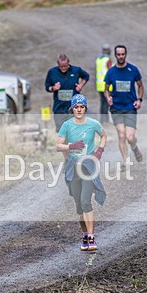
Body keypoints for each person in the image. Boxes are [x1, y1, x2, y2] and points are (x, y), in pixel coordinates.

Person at [56, 94, 107, 252]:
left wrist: (99, 151)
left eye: (82, 107)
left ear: (85, 108)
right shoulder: (67, 125)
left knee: (86, 201)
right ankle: (84, 235)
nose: (79, 110)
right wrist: (71, 146)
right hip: (73, 168)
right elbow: (58, 145)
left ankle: (91, 237)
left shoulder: (93, 124)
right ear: (72, 109)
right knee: (79, 205)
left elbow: (104, 135)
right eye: (76, 107)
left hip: (88, 167)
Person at [105, 44, 144, 164]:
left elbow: (140, 86)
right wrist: (108, 98)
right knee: (121, 136)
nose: (121, 56)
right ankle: (125, 161)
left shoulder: (133, 69)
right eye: (118, 54)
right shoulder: (111, 72)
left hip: (130, 108)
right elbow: (106, 89)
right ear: (115, 55)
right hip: (116, 108)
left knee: (130, 137)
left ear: (125, 54)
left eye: (123, 54)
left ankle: (134, 147)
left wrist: (139, 99)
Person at [45, 54, 90, 132]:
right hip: (59, 108)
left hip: (73, 107)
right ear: (58, 64)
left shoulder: (76, 70)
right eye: (61, 66)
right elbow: (47, 87)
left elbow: (86, 76)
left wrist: (81, 85)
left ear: (68, 63)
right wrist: (53, 88)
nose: (63, 68)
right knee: (61, 131)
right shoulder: (52, 72)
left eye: (65, 66)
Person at [94, 44, 113, 123]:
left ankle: (103, 120)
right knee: (108, 103)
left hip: (99, 85)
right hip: (107, 85)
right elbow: (111, 71)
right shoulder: (107, 60)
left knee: (103, 103)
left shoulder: (98, 59)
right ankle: (106, 121)